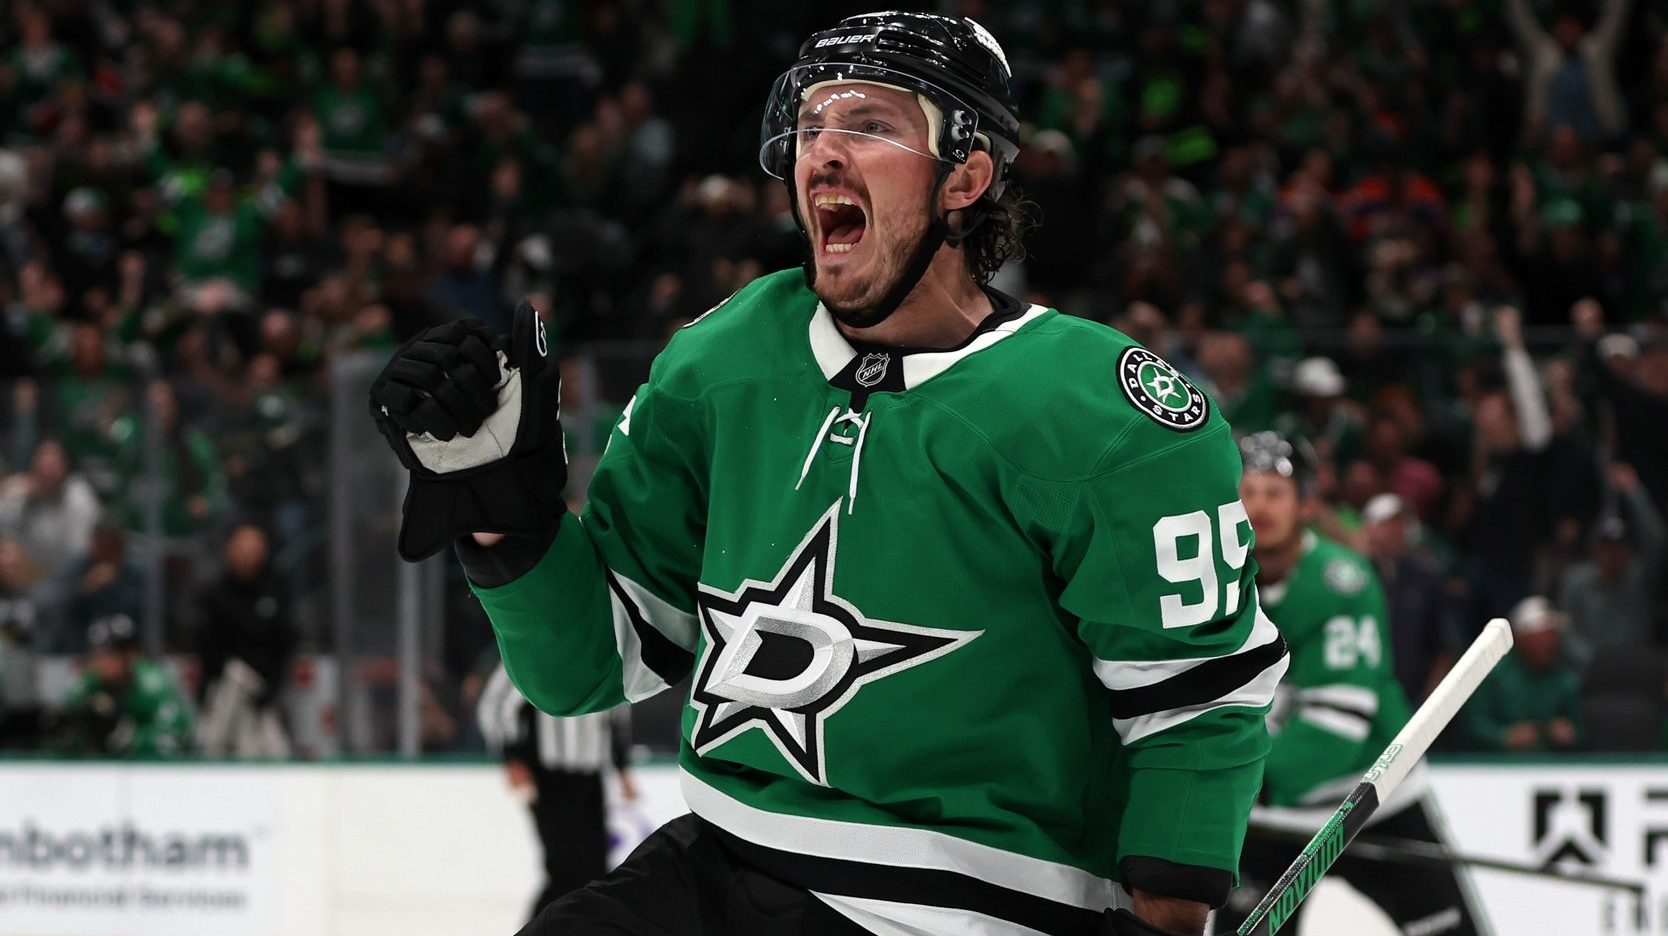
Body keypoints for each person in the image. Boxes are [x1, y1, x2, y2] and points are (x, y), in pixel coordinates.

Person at [370, 13, 1288, 936]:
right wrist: (506, 513)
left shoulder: (1106, 415)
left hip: (967, 909)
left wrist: (1168, 915)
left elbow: (1197, 696)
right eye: (811, 126)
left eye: (871, 125)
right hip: (716, 865)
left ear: (965, 178)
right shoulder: (724, 360)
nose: (824, 153)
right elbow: (589, 666)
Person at [1215, 433, 1484, 936]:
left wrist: (1241, 781)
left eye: (1274, 493)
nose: (1259, 507)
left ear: (1306, 505)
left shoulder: (1341, 582)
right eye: (1247, 492)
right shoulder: (1213, 583)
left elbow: (1338, 724)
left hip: (1370, 796)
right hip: (1273, 816)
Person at [476, 661, 636, 922]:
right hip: (549, 776)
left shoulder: (606, 652)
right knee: (564, 870)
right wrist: (511, 757)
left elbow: (617, 709)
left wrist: (622, 766)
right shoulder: (533, 648)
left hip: (591, 775)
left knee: (594, 870)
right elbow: (495, 704)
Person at [193, 524, 296, 758]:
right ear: (229, 550)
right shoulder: (213, 594)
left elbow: (285, 643)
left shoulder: (275, 593)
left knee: (274, 752)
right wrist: (234, 676)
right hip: (223, 692)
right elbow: (205, 646)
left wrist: (269, 687)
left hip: (264, 696)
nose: (248, 555)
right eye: (242, 548)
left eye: (254, 549)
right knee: (213, 750)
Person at [1558, 463, 1666, 666]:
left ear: (1628, 551)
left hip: (1635, 669)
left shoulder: (1639, 578)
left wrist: (1635, 493)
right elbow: (1565, 629)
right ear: (1595, 551)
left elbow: (1656, 540)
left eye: (1619, 548)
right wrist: (1595, 663)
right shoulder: (1576, 581)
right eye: (1607, 548)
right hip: (1589, 671)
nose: (1613, 555)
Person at [59, 613, 193, 758]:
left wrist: (134, 739)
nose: (102, 662)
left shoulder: (154, 685)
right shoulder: (86, 684)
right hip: (101, 768)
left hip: (152, 767)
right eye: (97, 654)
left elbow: (175, 734)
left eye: (110, 654)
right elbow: (65, 731)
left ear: (131, 654)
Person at [1463, 596, 1584, 753]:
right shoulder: (1492, 674)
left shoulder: (1566, 679)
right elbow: (1473, 724)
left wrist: (1568, 733)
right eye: (1543, 634)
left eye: (1554, 633)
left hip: (1552, 762)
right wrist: (1504, 736)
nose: (1551, 641)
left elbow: (1582, 731)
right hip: (1499, 761)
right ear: (1521, 637)